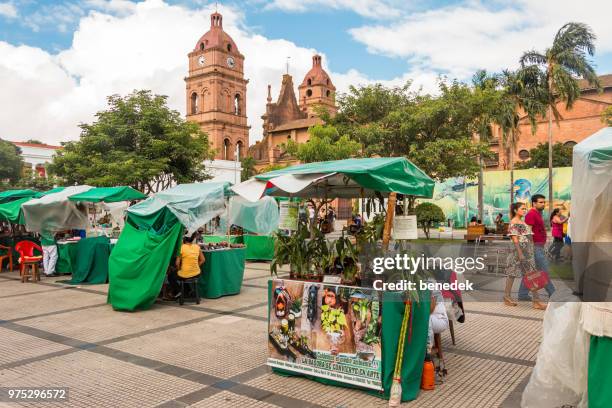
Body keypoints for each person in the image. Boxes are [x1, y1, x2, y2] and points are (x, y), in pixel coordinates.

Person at [503, 202, 547, 310]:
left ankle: (536, 301)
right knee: (512, 273)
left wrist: (534, 248)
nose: (524, 210)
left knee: (531, 275)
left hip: (527, 251)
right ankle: (507, 297)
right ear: (515, 210)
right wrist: (520, 253)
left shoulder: (522, 222)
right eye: (522, 208)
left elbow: (529, 237)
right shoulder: (514, 222)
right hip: (518, 251)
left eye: (525, 208)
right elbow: (515, 239)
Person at [519, 194, 556, 300]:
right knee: (544, 271)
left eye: (544, 202)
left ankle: (522, 295)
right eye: (540, 202)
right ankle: (552, 293)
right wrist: (531, 247)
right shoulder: (531, 214)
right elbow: (527, 231)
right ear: (534, 203)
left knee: (532, 272)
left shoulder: (538, 213)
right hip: (534, 247)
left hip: (539, 246)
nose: (543, 204)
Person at [167, 232, 204, 298]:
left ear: (184, 239)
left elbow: (177, 263)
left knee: (171, 276)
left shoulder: (181, 247)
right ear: (193, 239)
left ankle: (180, 291)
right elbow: (203, 260)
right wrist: (195, 266)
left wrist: (178, 269)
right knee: (184, 276)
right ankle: (188, 291)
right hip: (197, 273)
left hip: (184, 274)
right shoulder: (197, 247)